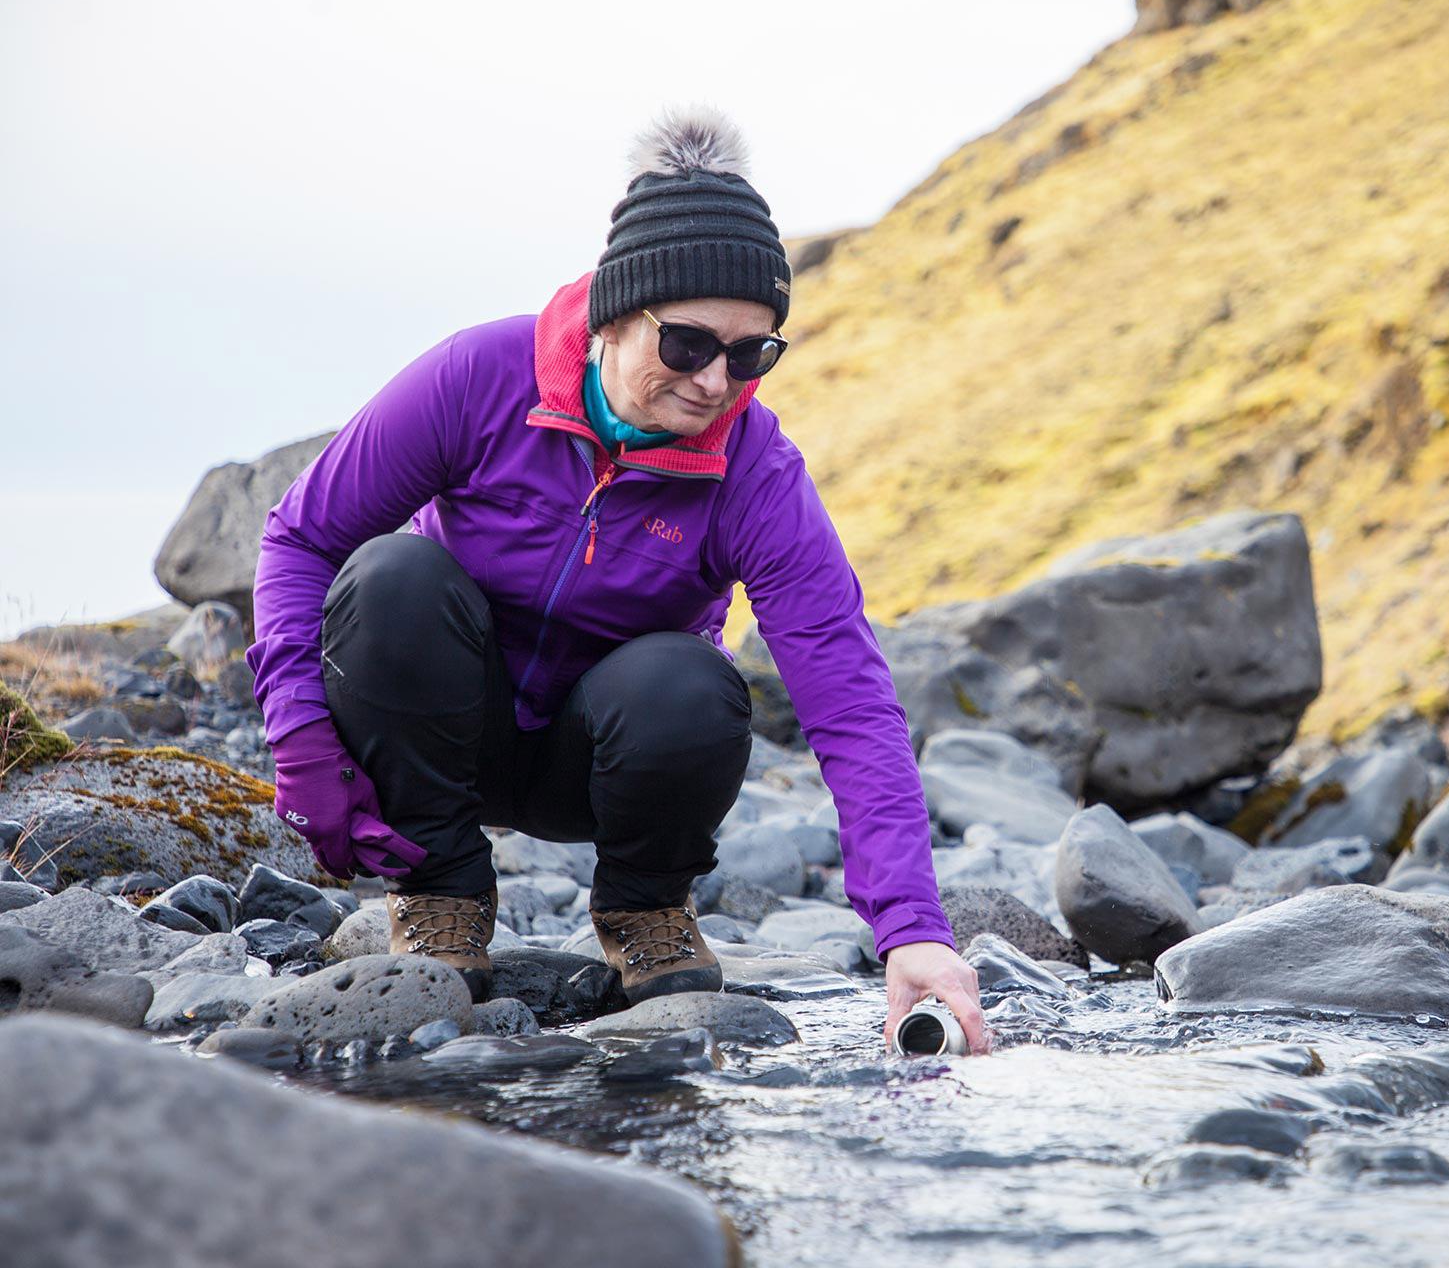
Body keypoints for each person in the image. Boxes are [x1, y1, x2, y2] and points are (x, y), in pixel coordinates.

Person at [246, 107, 989, 1054]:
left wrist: (913, 932)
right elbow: (302, 540)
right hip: (439, 734)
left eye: (751, 354)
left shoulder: (757, 472)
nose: (717, 381)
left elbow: (849, 699)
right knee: (392, 575)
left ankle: (645, 908)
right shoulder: (478, 376)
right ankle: (442, 892)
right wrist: (303, 734)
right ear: (615, 313)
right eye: (687, 345)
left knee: (691, 681)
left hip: (602, 766)